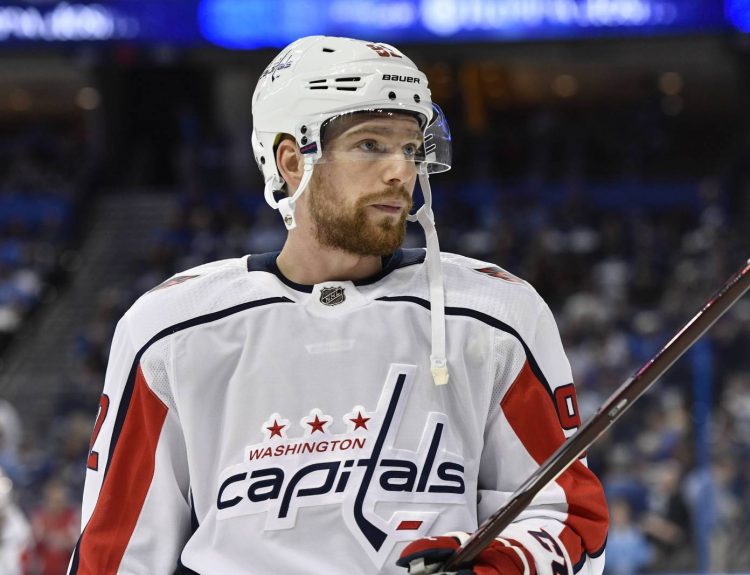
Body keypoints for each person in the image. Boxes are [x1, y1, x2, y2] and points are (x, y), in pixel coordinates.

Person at [69, 36, 608, 574]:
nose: (401, 171)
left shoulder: (495, 314)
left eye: (410, 148)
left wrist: (500, 567)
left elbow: (567, 516)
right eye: (370, 144)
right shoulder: (171, 329)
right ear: (291, 160)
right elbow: (114, 557)